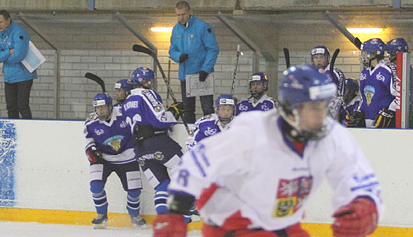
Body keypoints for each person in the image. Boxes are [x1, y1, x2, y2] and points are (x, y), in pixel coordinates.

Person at [151, 65, 383, 237]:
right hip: (232, 226)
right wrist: (173, 213)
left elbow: (359, 180)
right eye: (315, 107)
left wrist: (365, 206)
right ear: (291, 109)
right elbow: (195, 164)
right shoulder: (252, 131)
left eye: (324, 106)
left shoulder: (333, 136)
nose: (323, 115)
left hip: (283, 225)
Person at [121, 66, 183, 216]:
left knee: (163, 185)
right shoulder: (146, 94)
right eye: (150, 81)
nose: (152, 84)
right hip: (158, 142)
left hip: (141, 150)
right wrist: (174, 112)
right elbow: (159, 120)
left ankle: (162, 220)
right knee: (187, 171)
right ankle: (189, 209)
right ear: (144, 81)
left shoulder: (126, 102)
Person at [84, 92, 146, 229]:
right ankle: (101, 215)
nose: (100, 111)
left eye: (103, 107)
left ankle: (134, 216)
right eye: (97, 108)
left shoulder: (124, 113)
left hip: (127, 156)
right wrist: (91, 149)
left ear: (110, 107)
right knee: (95, 186)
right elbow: (88, 139)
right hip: (103, 158)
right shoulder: (91, 122)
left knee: (134, 191)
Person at [169, 0, 219, 124]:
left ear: (190, 12)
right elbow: (172, 49)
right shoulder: (176, 29)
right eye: (178, 15)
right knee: (188, 109)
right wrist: (179, 56)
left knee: (207, 108)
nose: (180, 18)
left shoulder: (202, 27)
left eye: (183, 14)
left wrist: (206, 69)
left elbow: (213, 49)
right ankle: (190, 137)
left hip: (203, 74)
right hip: (186, 75)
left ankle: (210, 132)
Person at [0, 9, 37, 119]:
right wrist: (8, 52)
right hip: (9, 77)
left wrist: (4, 57)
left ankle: (28, 129)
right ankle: (13, 131)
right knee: (11, 107)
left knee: (22, 105)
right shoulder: (0, 35)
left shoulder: (19, 33)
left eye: (1, 22)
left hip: (23, 76)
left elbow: (18, 56)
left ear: (8, 20)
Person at [358, 39, 397, 128]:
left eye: (365, 52)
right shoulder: (364, 72)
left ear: (375, 53)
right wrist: (359, 111)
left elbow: (399, 96)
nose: (363, 56)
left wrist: (390, 112)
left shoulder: (387, 70)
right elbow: (363, 97)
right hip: (367, 119)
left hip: (384, 123)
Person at [384, 37, 413, 128]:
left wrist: (390, 110)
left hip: (403, 117)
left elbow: (407, 95)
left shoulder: (406, 70)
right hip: (397, 114)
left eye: (390, 53)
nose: (388, 56)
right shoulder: (398, 68)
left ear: (396, 53)